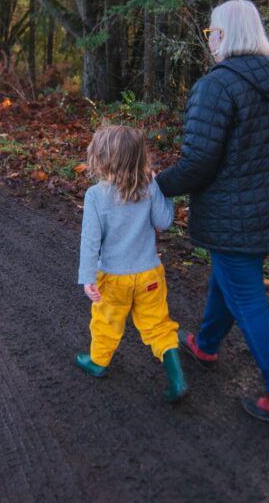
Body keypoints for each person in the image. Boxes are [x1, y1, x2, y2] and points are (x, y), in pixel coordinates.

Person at [155, 0, 269, 428]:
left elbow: (198, 161)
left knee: (248, 297)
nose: (210, 40)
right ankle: (206, 343)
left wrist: (153, 187)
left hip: (238, 214)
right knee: (230, 275)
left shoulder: (217, 85)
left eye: (212, 32)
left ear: (224, 35)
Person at [76, 125, 189, 403]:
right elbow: (164, 222)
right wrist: (164, 191)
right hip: (149, 274)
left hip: (113, 278)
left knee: (106, 322)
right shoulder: (149, 187)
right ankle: (176, 378)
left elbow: (91, 241)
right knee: (157, 325)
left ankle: (99, 361)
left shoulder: (95, 196)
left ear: (101, 158)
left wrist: (87, 276)